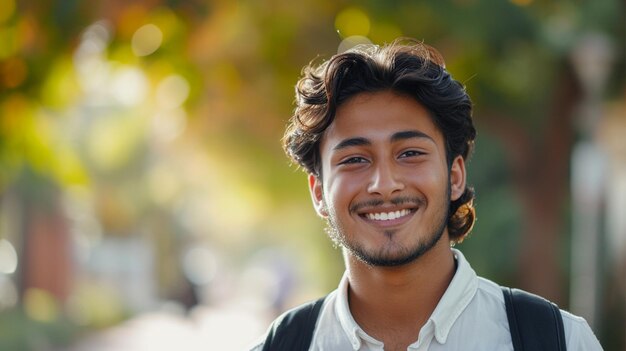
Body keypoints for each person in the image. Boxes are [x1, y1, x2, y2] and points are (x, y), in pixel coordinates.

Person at [249, 38, 602, 350]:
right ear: (319, 192)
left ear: (455, 176)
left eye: (410, 153)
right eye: (355, 159)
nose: (384, 185)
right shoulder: (279, 346)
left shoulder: (560, 340)